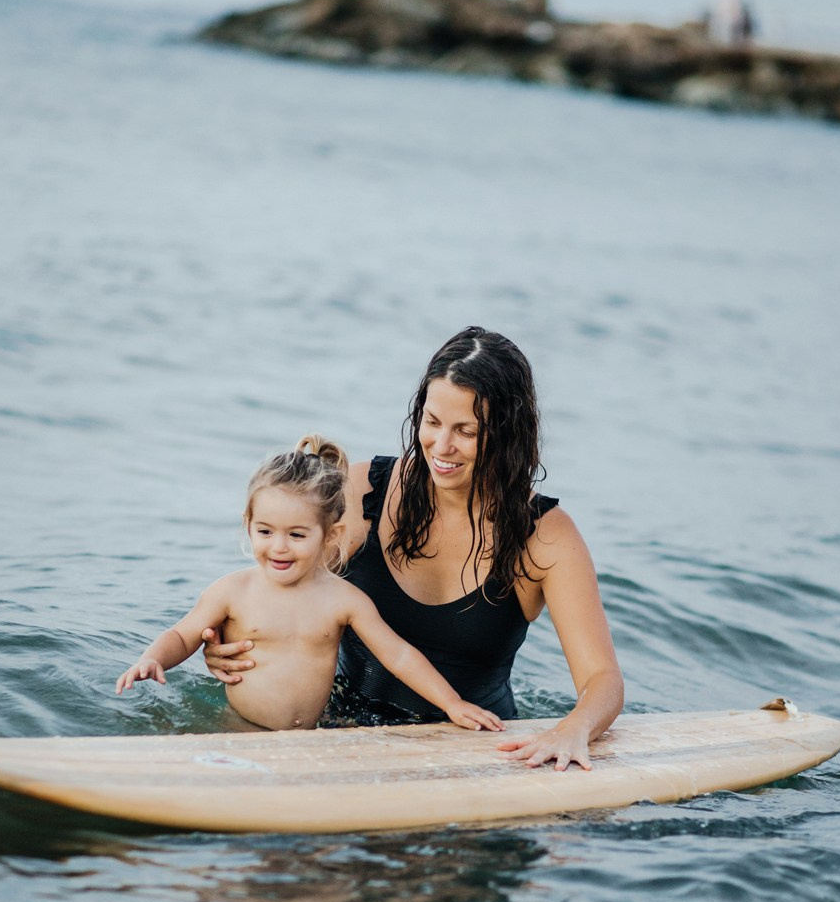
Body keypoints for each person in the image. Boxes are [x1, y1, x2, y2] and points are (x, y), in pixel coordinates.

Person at [202, 329, 624, 770]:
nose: (442, 447)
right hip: (340, 730)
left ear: (507, 434)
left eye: (467, 431)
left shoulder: (544, 536)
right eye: (433, 422)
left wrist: (573, 729)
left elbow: (603, 679)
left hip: (473, 752)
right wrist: (235, 643)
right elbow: (284, 591)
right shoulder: (364, 492)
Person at [115, 435, 503, 735]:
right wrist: (152, 658)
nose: (278, 547)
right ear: (247, 524)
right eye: (265, 531)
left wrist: (452, 704)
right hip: (239, 729)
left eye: (297, 535)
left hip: (314, 738)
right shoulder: (233, 592)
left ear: (330, 535)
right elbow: (182, 636)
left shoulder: (344, 600)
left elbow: (398, 655)